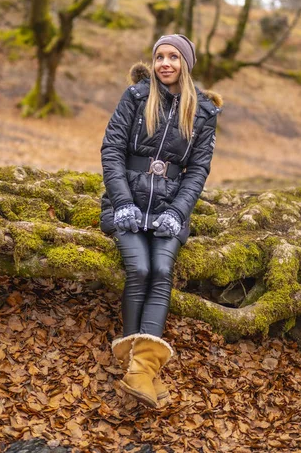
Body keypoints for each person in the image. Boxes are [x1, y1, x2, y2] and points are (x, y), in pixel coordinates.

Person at [100, 34, 223, 408]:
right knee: (138, 268)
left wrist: (176, 212)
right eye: (159, 56)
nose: (165, 63)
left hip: (171, 208)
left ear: (185, 63)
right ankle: (138, 368)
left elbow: (199, 169)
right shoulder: (135, 97)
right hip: (128, 203)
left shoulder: (202, 111)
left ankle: (140, 371)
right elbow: (111, 149)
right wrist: (122, 202)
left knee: (161, 270)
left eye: (173, 57)